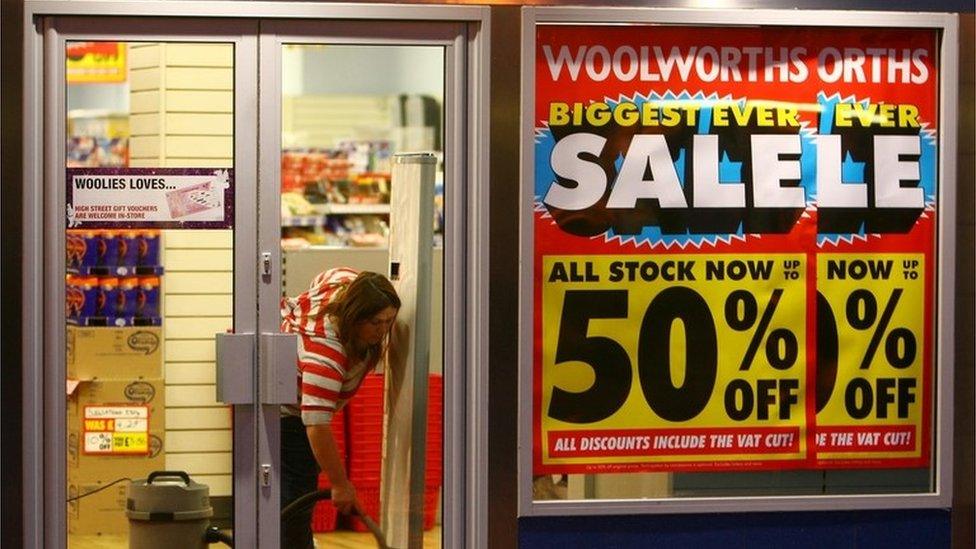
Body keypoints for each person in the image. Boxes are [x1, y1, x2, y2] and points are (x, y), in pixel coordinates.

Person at [279, 268, 407, 548]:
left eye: (389, 320)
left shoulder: (343, 283)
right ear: (354, 316)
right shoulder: (326, 358)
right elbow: (316, 426)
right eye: (376, 322)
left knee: (294, 497)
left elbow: (323, 276)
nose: (384, 330)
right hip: (287, 413)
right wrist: (339, 485)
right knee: (295, 501)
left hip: (305, 399)